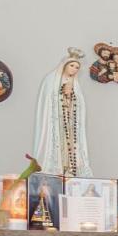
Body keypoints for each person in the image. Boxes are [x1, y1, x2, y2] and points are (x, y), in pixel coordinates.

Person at [32, 48, 92, 176]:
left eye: (77, 67)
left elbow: (80, 106)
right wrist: (61, 93)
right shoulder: (51, 80)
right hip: (56, 121)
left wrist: (71, 97)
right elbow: (48, 101)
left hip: (69, 123)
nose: (74, 69)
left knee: (70, 145)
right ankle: (56, 169)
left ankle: (69, 169)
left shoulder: (75, 84)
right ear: (64, 65)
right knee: (57, 146)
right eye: (72, 65)